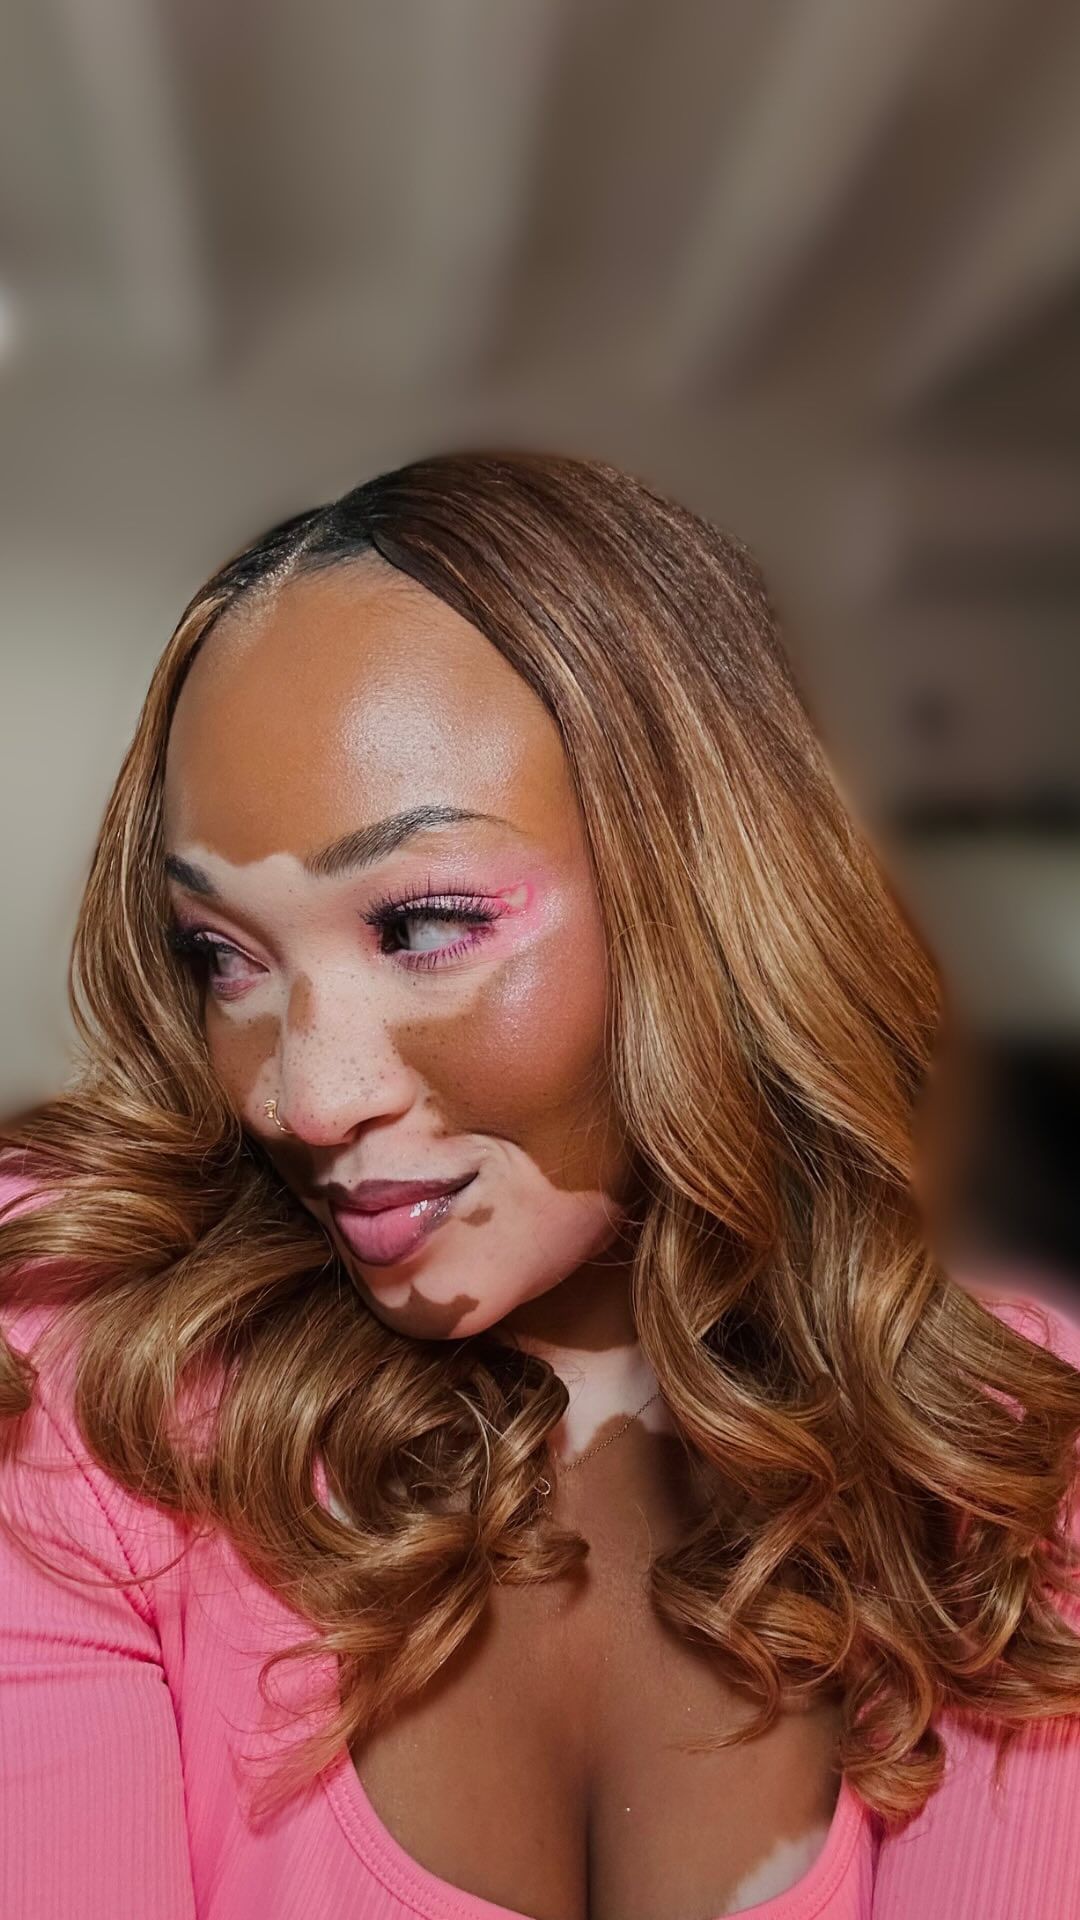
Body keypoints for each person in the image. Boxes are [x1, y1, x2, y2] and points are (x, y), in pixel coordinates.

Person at [2, 449, 1079, 1920]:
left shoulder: (999, 1460)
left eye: (424, 925)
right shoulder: (91, 1404)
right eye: (223, 956)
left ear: (705, 893)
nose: (301, 1096)